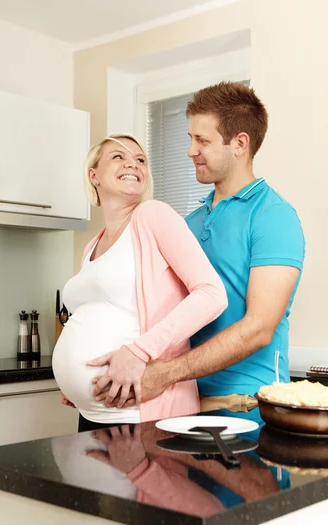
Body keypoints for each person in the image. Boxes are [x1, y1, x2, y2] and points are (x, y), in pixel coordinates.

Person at [92, 82, 305, 424]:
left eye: (202, 140)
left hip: (248, 408)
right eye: (191, 139)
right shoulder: (188, 222)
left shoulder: (273, 216)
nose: (191, 151)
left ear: (239, 143)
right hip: (181, 406)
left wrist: (165, 373)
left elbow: (259, 328)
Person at [53, 133, 227, 432]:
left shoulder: (152, 215)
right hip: (93, 412)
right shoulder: (92, 246)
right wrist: (74, 379)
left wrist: (138, 352)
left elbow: (212, 294)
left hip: (142, 413)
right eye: (118, 157)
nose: (132, 164)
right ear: (93, 175)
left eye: (140, 160)